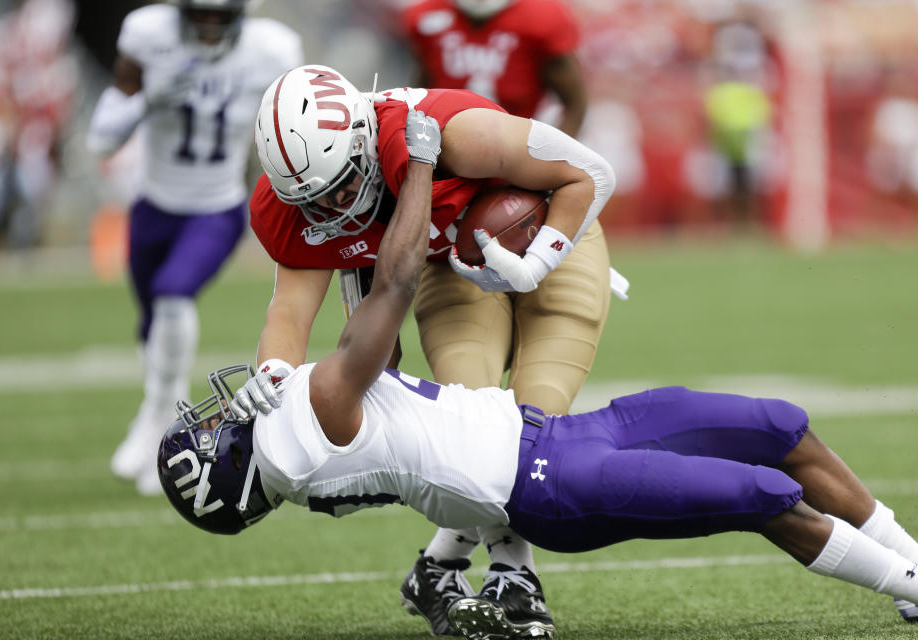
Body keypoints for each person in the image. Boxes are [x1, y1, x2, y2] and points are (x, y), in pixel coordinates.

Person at [157, 112, 918, 639]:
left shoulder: (301, 424)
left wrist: (281, 365)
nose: (219, 414)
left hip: (545, 436)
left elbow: (376, 361)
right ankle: (910, 586)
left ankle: (907, 556)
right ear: (227, 467)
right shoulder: (304, 429)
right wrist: (417, 163)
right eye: (212, 431)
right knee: (761, 496)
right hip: (546, 485)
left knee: (775, 427)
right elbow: (390, 293)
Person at [239, 63, 620, 636]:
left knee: (540, 418)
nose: (335, 207)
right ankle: (504, 575)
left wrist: (535, 263)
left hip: (550, 234)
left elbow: (592, 173)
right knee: (470, 417)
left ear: (364, 139)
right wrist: (272, 377)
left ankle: (469, 571)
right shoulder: (299, 204)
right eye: (314, 200)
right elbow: (290, 310)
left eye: (343, 182)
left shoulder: (448, 133)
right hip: (446, 260)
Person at [85, 0, 303, 495]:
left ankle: (160, 419)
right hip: (153, 206)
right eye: (198, 14)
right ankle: (155, 411)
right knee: (151, 321)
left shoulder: (272, 49)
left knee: (172, 293)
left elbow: (295, 121)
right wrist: (148, 100)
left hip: (216, 206)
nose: (208, 25)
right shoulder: (147, 33)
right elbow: (99, 140)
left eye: (219, 15)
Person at [400, 0, 588, 137]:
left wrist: (550, 159)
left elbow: (575, 102)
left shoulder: (543, 18)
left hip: (515, 149)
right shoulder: (425, 15)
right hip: (441, 145)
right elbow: (422, 91)